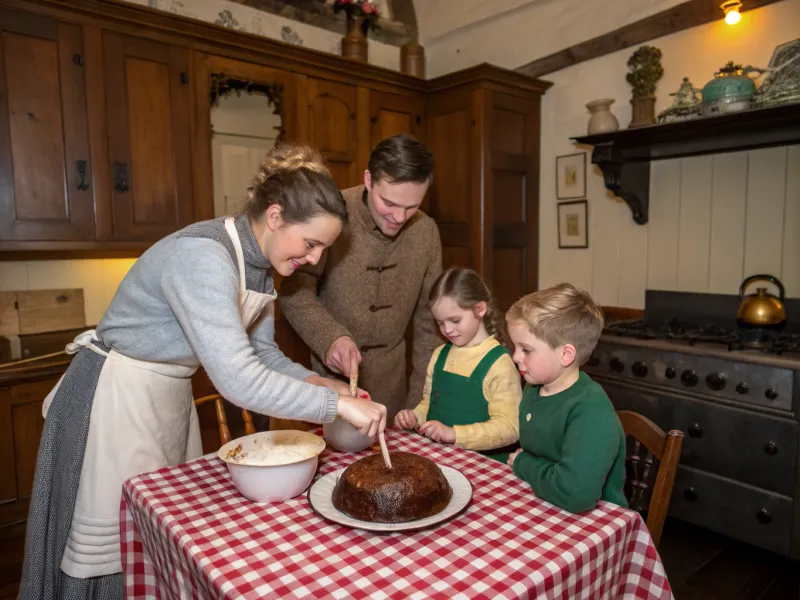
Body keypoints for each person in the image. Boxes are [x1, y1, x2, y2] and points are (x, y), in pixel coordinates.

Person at [18, 144, 387, 600]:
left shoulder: (262, 270)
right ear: (274, 217)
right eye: (310, 244)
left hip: (164, 398)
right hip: (112, 397)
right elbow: (237, 380)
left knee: (162, 533)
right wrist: (336, 405)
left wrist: (321, 383)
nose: (314, 259)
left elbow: (262, 357)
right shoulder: (203, 257)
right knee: (110, 546)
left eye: (323, 250)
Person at [279, 134, 442, 420]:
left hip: (392, 384)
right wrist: (332, 339)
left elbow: (429, 325)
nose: (399, 217)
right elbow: (295, 292)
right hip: (329, 380)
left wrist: (418, 403)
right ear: (369, 180)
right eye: (389, 203)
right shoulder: (331, 213)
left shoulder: (427, 232)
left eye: (412, 206)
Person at [505, 283, 627, 514]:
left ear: (565, 355)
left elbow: (575, 495)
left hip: (596, 522)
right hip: (544, 502)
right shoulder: (535, 388)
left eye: (526, 350)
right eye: (515, 347)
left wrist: (523, 464)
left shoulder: (590, 409)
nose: (515, 356)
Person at [394, 268, 521, 462]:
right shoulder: (439, 355)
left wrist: (454, 434)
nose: (447, 330)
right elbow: (429, 404)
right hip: (442, 459)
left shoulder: (499, 364)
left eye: (455, 320)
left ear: (480, 309)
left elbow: (510, 428)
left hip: (484, 467)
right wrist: (414, 417)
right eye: (440, 323)